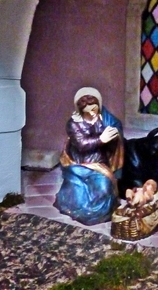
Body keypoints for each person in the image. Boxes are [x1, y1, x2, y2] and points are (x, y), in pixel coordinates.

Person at [54, 87, 124, 225]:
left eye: (94, 109)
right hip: (79, 165)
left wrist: (114, 137)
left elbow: (115, 130)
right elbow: (81, 144)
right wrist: (101, 139)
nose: (92, 113)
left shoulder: (104, 119)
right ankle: (82, 212)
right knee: (78, 195)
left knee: (104, 189)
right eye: (88, 111)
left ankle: (100, 214)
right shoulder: (73, 123)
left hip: (99, 164)